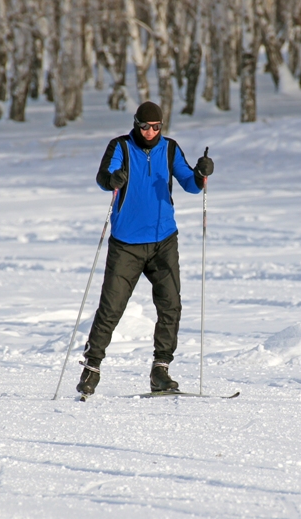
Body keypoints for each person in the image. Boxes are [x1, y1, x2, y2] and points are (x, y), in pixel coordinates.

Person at [76, 101, 214, 397]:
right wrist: (113, 180)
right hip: (126, 243)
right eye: (145, 127)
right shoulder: (121, 147)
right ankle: (92, 367)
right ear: (136, 124)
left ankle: (161, 370)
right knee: (111, 308)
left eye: (156, 127)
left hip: (164, 240)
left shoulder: (170, 148)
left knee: (170, 306)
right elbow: (104, 178)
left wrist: (202, 174)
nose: (150, 132)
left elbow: (190, 184)